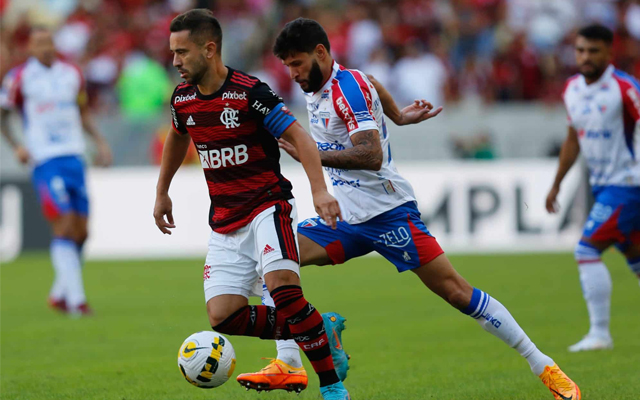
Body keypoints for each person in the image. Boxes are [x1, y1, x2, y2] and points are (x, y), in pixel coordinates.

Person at [238, 18, 581, 400]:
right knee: (274, 264)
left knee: (456, 292)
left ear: (320, 52)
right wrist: (398, 116)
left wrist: (313, 154)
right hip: (344, 217)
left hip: (388, 213)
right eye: (287, 65)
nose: (293, 73)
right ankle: (291, 360)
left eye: (297, 62)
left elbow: (370, 155)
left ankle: (544, 366)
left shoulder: (346, 89)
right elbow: (373, 83)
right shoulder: (325, 84)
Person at [152, 10, 350, 400]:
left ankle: (332, 387)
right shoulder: (183, 99)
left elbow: (302, 139)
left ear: (210, 50)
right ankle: (318, 327)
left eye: (182, 52)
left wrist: (319, 191)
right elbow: (178, 136)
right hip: (225, 218)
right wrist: (162, 190)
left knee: (285, 292)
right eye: (172, 52)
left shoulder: (249, 93)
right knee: (223, 315)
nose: (174, 61)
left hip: (267, 206)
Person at [0, 27, 112, 316]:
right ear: (31, 49)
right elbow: (3, 115)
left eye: (49, 42)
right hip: (46, 161)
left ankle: (59, 293)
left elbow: (83, 112)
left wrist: (99, 142)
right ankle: (77, 301)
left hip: (75, 157)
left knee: (83, 232)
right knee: (63, 225)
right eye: (40, 44)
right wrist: (17, 146)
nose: (46, 48)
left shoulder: (71, 74)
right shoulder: (20, 78)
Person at [546, 24, 640, 352]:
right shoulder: (572, 88)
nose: (585, 57)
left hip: (629, 185)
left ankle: (600, 334)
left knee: (586, 250)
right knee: (634, 256)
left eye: (593, 51)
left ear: (609, 53)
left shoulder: (624, 88)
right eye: (581, 50)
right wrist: (557, 184)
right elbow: (573, 140)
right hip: (602, 186)